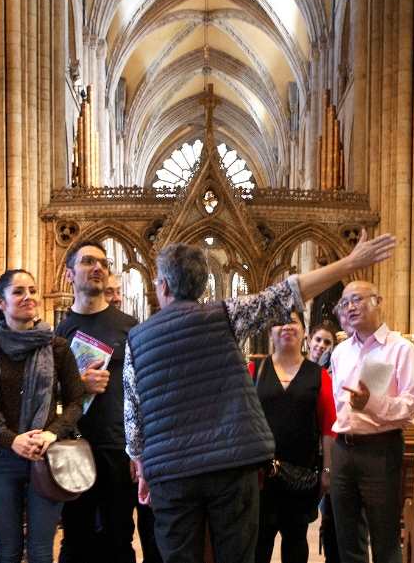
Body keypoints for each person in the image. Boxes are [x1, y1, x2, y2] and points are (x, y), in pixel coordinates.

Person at [125, 232, 397, 563]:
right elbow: (285, 294)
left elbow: (133, 417)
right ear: (200, 287)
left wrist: (140, 464)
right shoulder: (223, 315)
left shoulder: (137, 340)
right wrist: (350, 263)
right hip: (230, 466)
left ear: (164, 286)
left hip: (171, 472)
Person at [0, 269, 87, 563]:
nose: (28, 297)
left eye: (33, 291)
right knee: (7, 549)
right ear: (0, 302)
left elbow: (76, 401)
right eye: (19, 292)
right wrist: (12, 440)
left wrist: (52, 433)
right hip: (1, 458)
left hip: (45, 454)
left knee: (39, 550)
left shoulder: (57, 347)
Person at [55, 241, 156, 563]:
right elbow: (46, 394)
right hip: (73, 446)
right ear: (70, 274)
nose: (97, 267)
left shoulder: (130, 328)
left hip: (118, 446)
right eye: (87, 262)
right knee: (75, 536)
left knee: (119, 536)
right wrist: (78, 385)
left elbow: (146, 391)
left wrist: (139, 451)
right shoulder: (59, 332)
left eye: (102, 263)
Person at [327, 281, 414, 563]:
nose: (350, 307)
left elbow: (412, 404)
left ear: (378, 301)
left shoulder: (400, 349)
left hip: (381, 450)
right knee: (347, 539)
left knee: (385, 538)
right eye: (345, 303)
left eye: (357, 299)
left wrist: (371, 403)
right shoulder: (340, 352)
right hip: (343, 449)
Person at [250, 313, 335, 563]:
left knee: (296, 545)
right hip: (261, 478)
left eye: (293, 322)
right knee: (258, 546)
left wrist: (327, 471)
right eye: (278, 322)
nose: (286, 326)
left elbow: (329, 427)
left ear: (304, 333)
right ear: (270, 334)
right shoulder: (254, 371)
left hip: (301, 475)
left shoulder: (319, 375)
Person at [304, 321, 344, 559]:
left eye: (327, 342)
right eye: (318, 340)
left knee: (330, 516)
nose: (321, 346)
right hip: (306, 452)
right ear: (308, 341)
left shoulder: (335, 373)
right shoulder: (299, 369)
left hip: (330, 450)